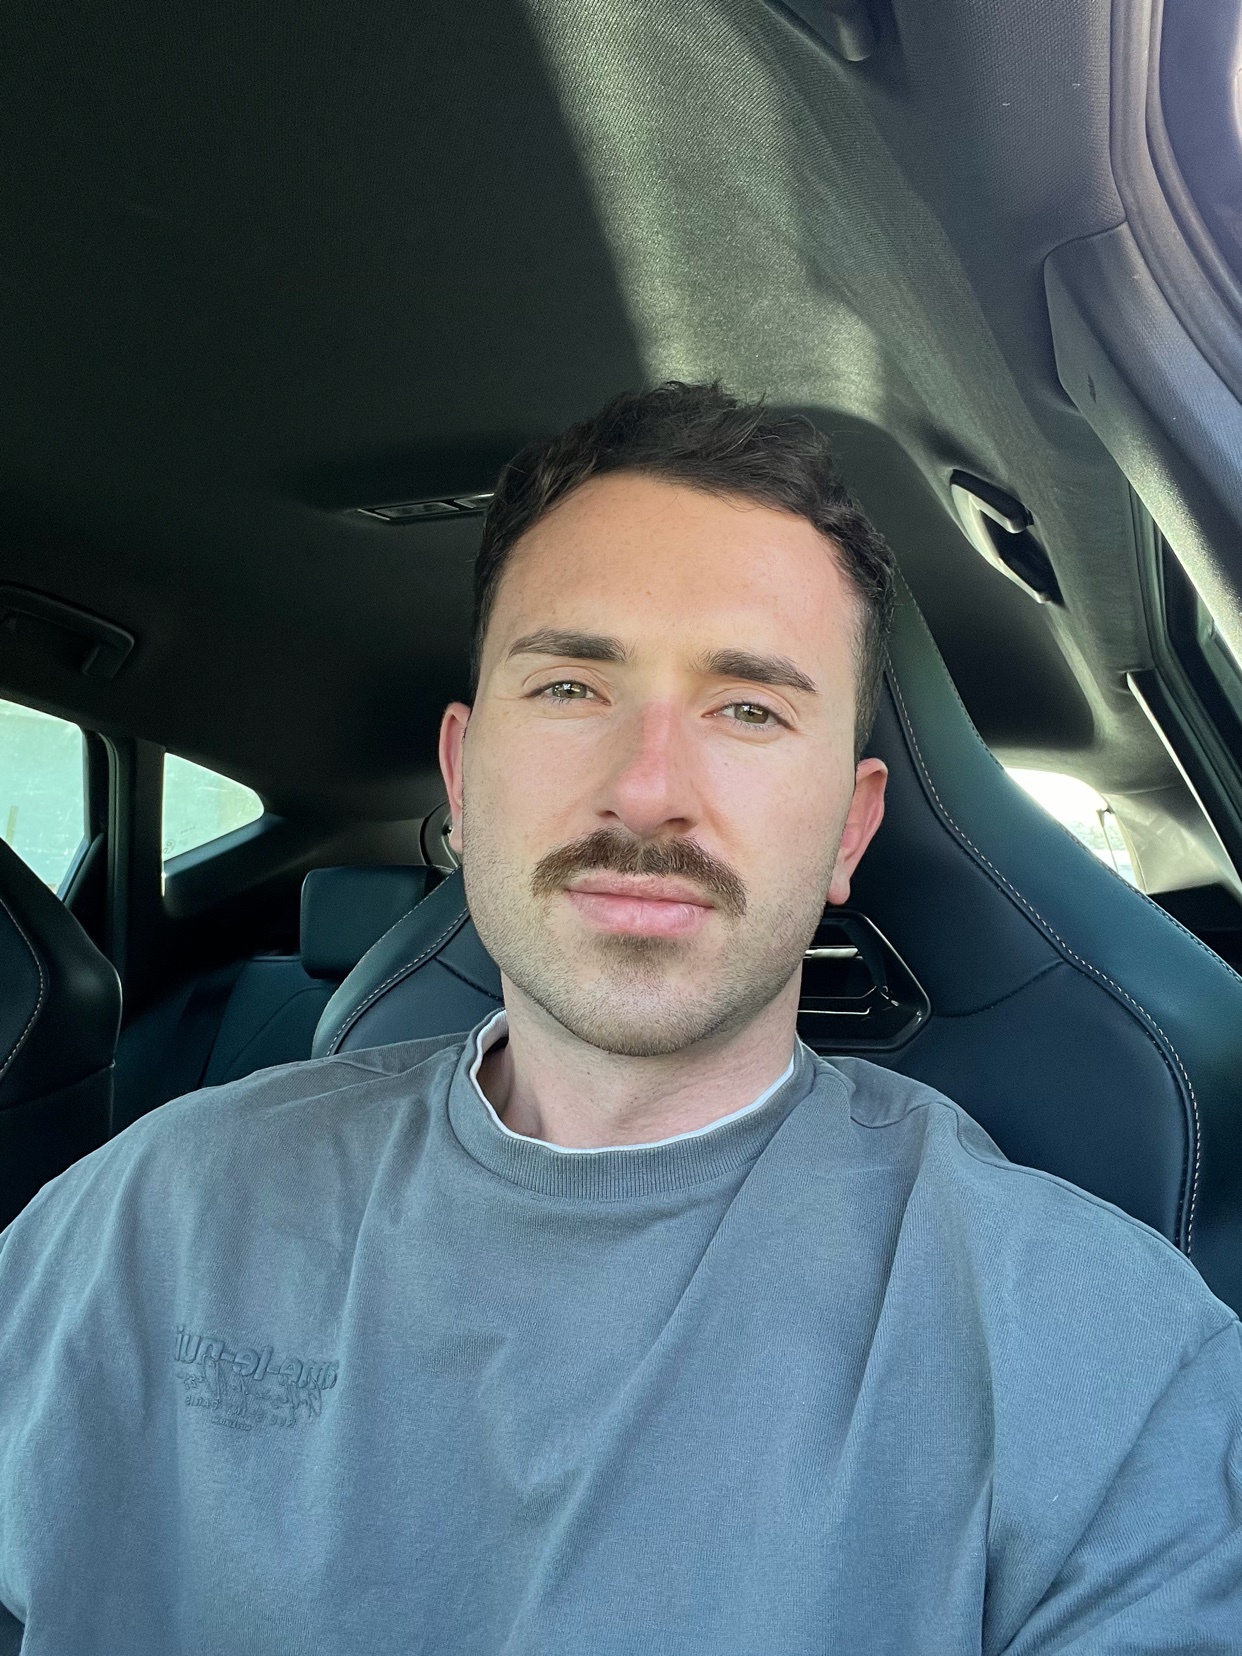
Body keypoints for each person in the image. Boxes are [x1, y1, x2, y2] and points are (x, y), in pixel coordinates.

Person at [0, 383, 1239, 1654]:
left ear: (851, 827)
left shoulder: (1096, 1358)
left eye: (748, 709)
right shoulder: (142, 1220)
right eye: (572, 688)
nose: (648, 791)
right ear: (464, 778)